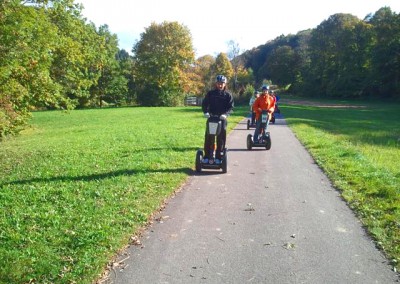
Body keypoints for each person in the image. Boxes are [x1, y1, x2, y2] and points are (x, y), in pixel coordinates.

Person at [202, 75, 234, 164]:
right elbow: (205, 104)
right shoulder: (211, 94)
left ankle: (219, 157)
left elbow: (231, 107)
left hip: (222, 119)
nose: (220, 85)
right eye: (219, 83)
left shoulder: (228, 95)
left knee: (221, 138)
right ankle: (207, 156)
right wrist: (206, 112)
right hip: (211, 118)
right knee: (209, 137)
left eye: (222, 84)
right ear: (216, 84)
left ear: (225, 84)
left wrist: (226, 114)